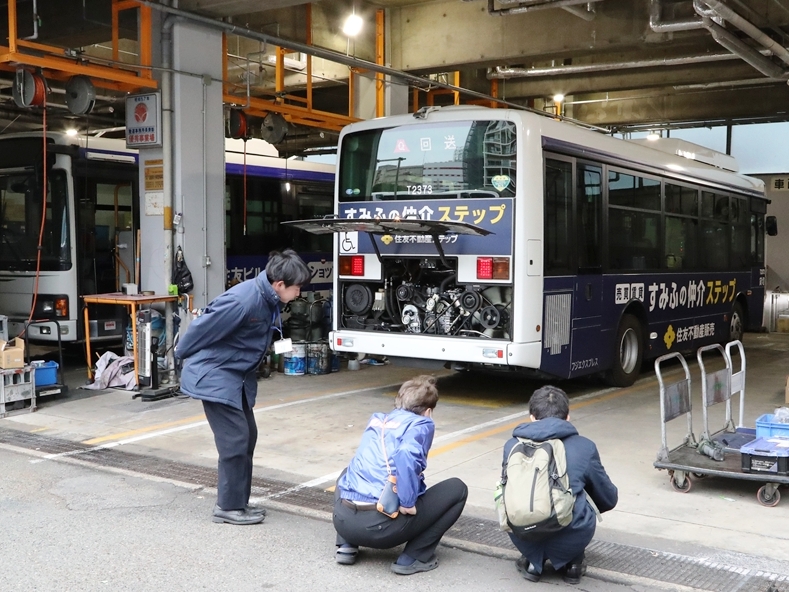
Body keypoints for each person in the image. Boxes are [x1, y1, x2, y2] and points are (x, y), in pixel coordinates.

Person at [175, 249, 311, 525]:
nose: (299, 294)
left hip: (235, 375)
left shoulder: (268, 298)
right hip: (215, 374)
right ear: (280, 285)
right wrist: (182, 355)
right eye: (297, 288)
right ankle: (228, 507)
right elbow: (200, 329)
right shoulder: (243, 300)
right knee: (235, 439)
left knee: (247, 435)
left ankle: (239, 503)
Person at [333, 375, 468, 575]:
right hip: (380, 530)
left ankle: (346, 544)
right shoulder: (422, 424)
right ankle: (413, 557)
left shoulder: (377, 420)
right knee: (457, 489)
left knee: (348, 472)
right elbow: (406, 456)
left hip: (343, 521)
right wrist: (407, 502)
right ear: (428, 411)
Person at [503, 385, 618, 585]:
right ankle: (573, 564)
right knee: (582, 496)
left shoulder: (511, 446)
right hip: (571, 537)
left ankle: (533, 562)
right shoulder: (584, 446)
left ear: (531, 416)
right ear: (567, 417)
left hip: (523, 536)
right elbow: (608, 498)